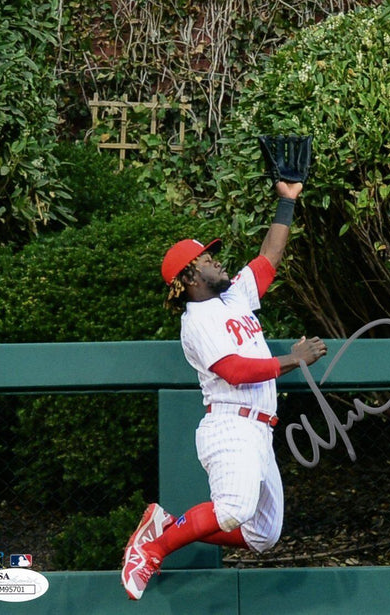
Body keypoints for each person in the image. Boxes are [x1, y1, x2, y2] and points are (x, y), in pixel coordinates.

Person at [121, 179, 328, 600]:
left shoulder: (234, 296)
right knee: (233, 509)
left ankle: (169, 525)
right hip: (230, 425)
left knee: (262, 535)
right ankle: (152, 547)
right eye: (208, 258)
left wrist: (286, 201)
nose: (216, 261)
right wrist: (294, 358)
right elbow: (234, 370)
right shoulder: (196, 322)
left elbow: (270, 256)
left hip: (260, 430)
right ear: (189, 275)